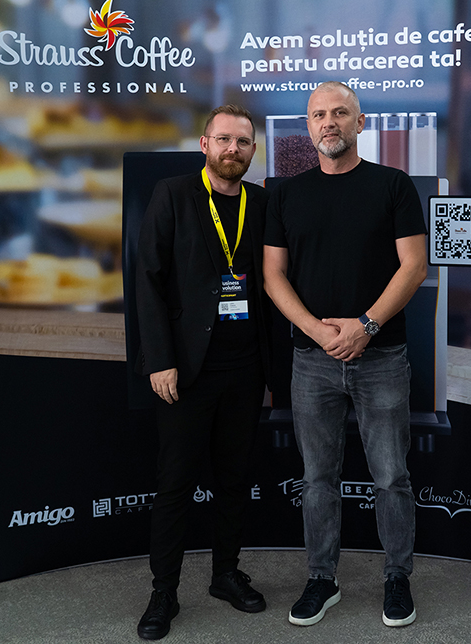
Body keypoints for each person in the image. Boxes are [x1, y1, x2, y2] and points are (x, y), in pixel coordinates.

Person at [263, 82, 428, 628]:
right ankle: (321, 578)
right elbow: (272, 275)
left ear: (360, 122)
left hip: (382, 356)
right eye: (318, 115)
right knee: (317, 478)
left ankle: (397, 577)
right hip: (311, 361)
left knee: (391, 476)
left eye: (339, 113)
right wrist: (317, 331)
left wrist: (365, 326)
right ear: (308, 126)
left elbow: (414, 266)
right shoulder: (285, 195)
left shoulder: (393, 185)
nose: (328, 122)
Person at [135, 104, 271, 640]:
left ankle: (225, 575)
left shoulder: (262, 202)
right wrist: (160, 359)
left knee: (234, 479)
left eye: (243, 142)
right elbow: (148, 279)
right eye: (224, 140)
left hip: (246, 368)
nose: (233, 149)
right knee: (175, 484)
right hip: (185, 371)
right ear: (204, 144)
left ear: (253, 150)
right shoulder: (173, 195)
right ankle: (163, 591)